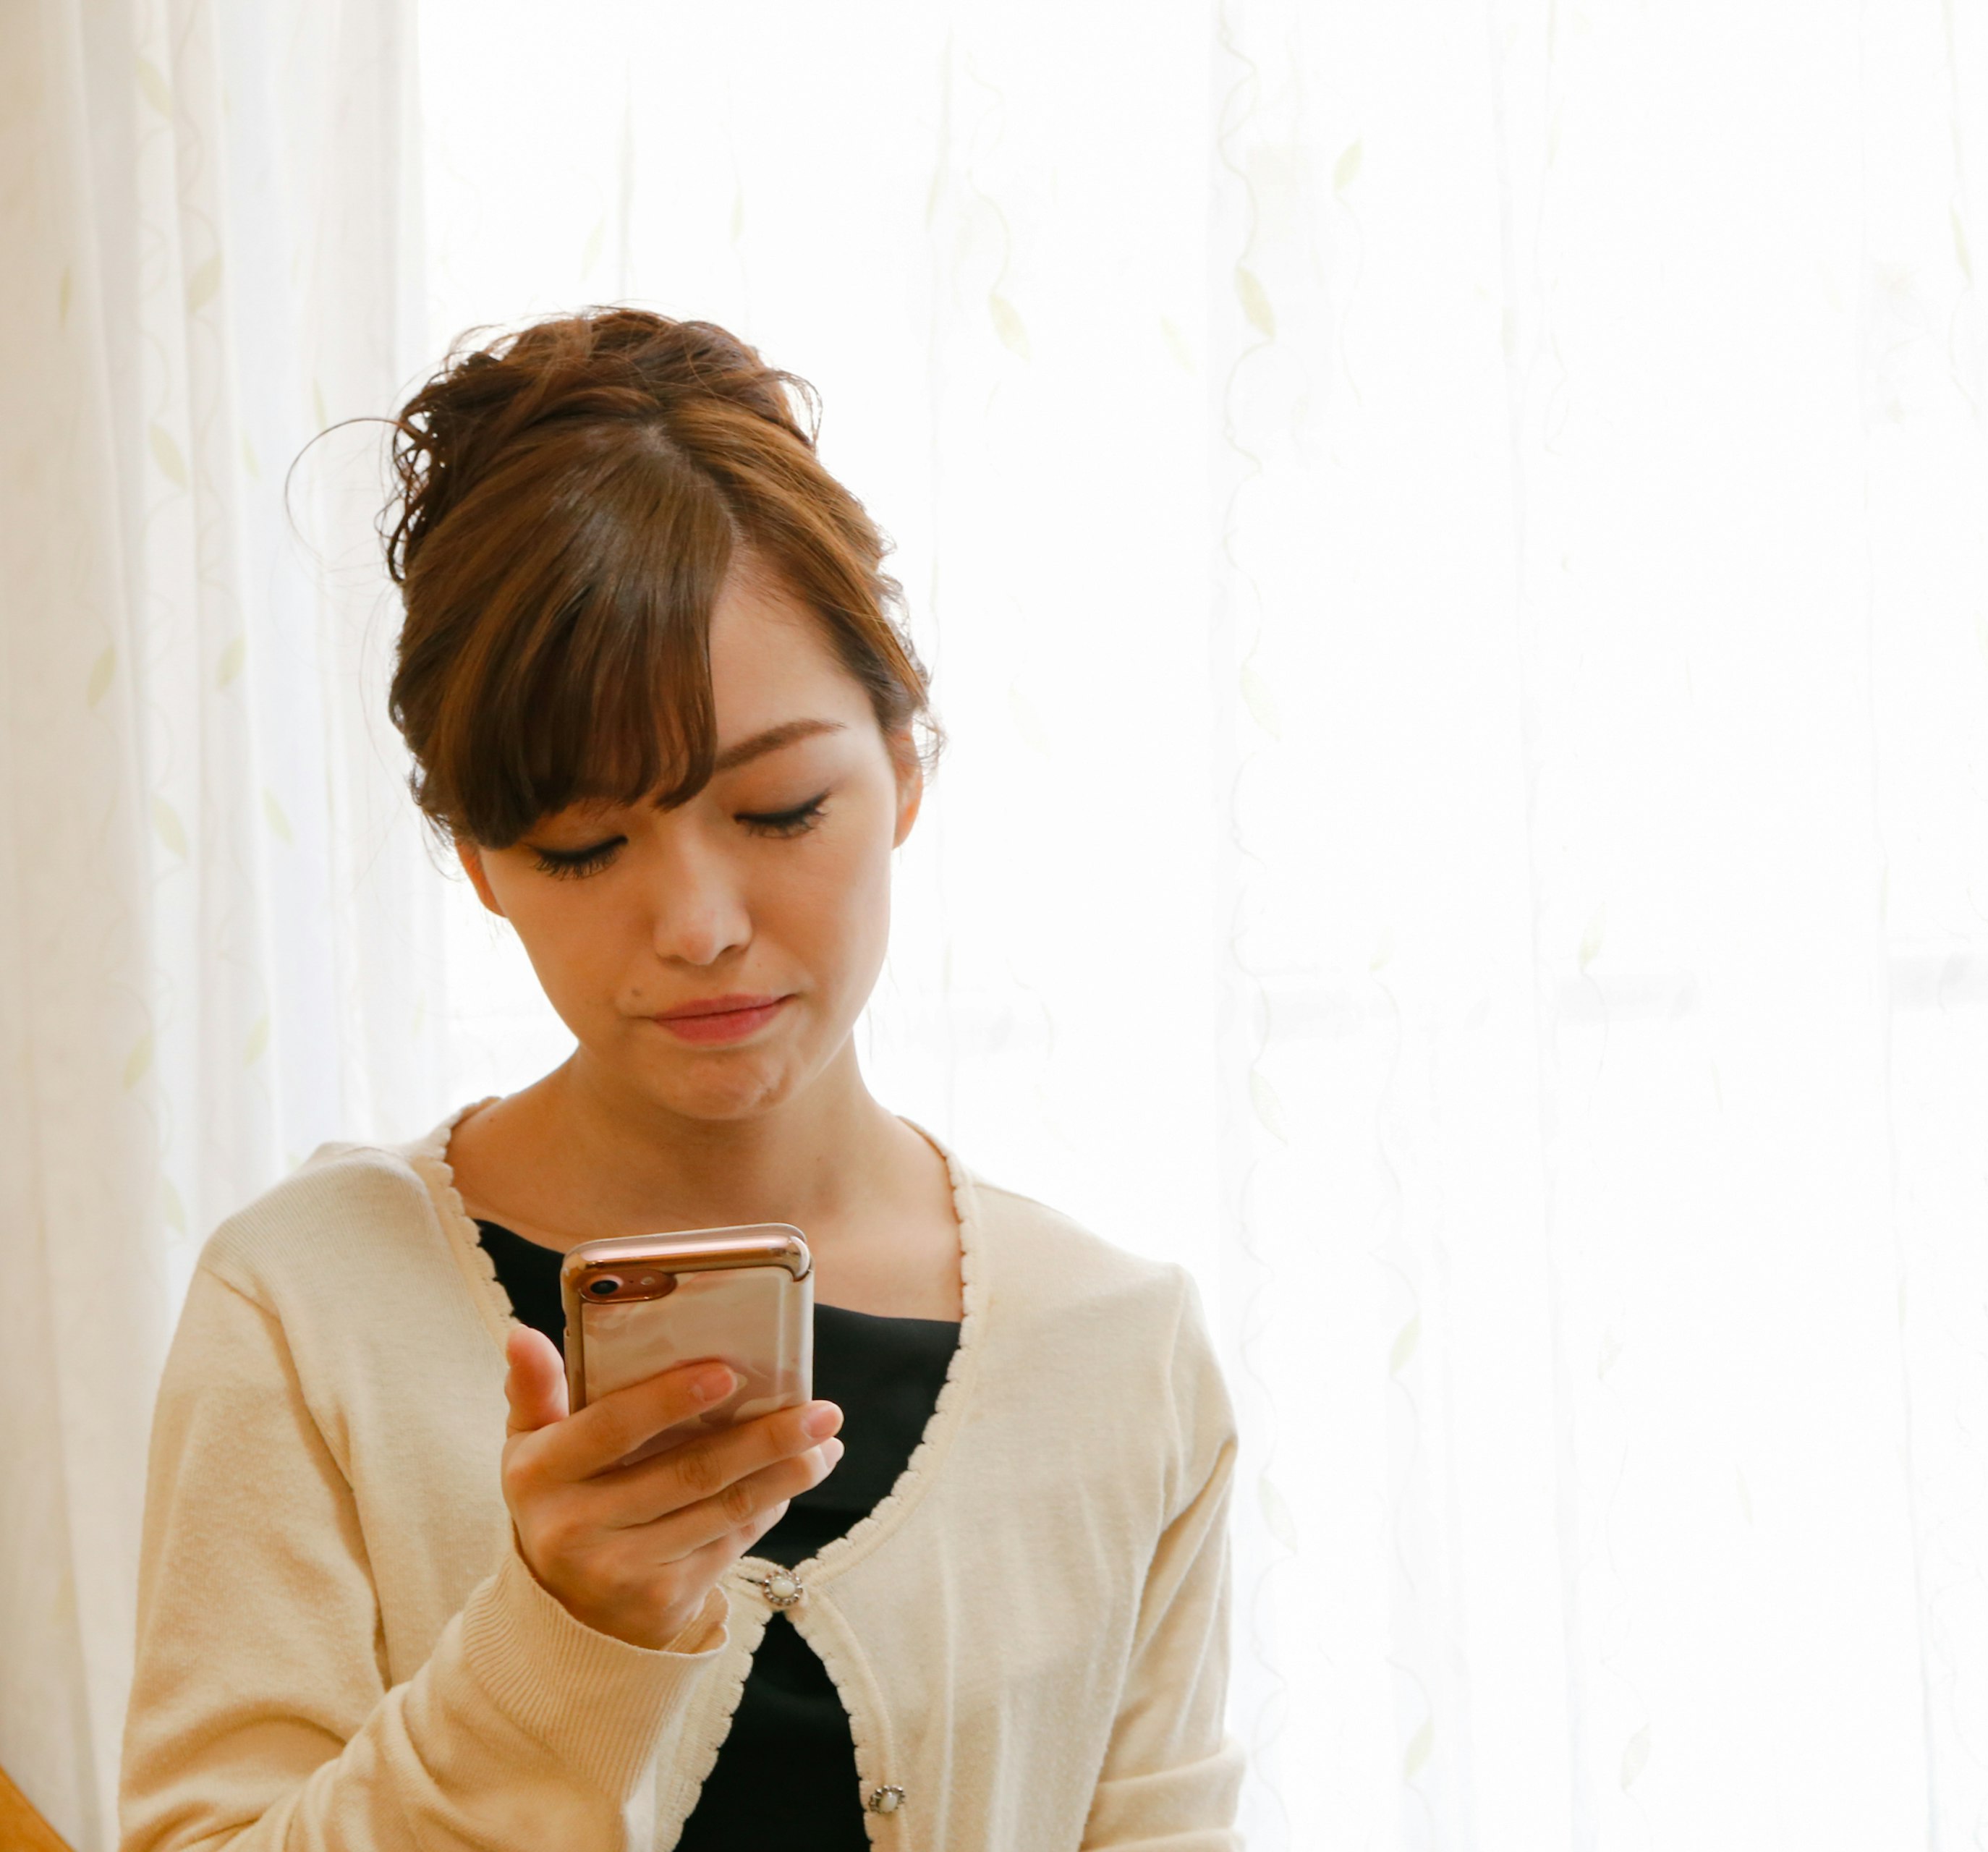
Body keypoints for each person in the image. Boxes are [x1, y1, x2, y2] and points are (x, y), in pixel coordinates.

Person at [114, 309, 1244, 1851]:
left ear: (904, 760)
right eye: (581, 845)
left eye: (779, 807)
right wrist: (559, 1637)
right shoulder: (309, 1309)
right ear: (480, 865)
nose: (700, 927)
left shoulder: (1119, 1353)